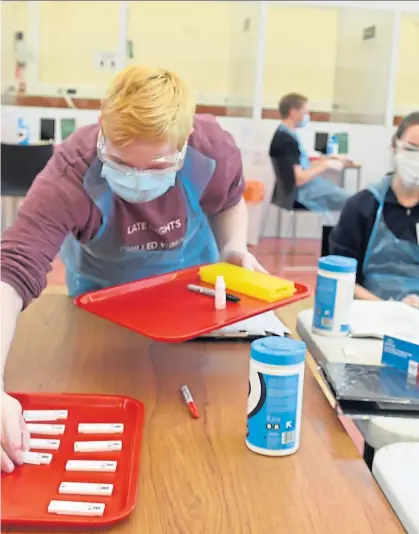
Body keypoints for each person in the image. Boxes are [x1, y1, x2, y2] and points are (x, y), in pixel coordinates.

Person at [0, 65, 265, 473]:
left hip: (190, 294)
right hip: (103, 301)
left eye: (157, 166)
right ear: (103, 132)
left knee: (191, 433)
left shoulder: (212, 150)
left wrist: (232, 247)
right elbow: (11, 272)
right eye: (121, 163)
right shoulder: (72, 171)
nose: (138, 180)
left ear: (184, 143)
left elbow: (229, 199)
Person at [330, 111, 419, 313]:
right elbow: (342, 275)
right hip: (370, 312)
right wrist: (389, 310)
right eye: (412, 148)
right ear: (395, 146)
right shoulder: (362, 206)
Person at [269, 93, 350, 214]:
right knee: (355, 202)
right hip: (302, 193)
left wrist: (324, 161)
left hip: (294, 191)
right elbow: (299, 179)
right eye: (305, 112)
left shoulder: (284, 134)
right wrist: (325, 166)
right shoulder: (287, 141)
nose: (307, 116)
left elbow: (300, 166)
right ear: (293, 112)